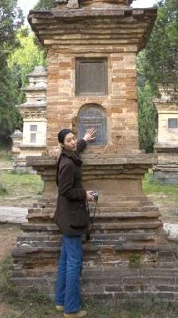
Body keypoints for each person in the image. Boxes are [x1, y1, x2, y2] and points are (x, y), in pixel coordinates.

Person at [54, 127, 96, 318]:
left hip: (66, 217)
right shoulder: (68, 164)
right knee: (74, 264)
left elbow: (76, 150)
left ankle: (61, 302)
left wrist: (84, 140)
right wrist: (84, 195)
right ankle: (71, 309)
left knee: (64, 261)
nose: (72, 142)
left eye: (74, 138)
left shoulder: (68, 156)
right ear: (62, 144)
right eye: (69, 140)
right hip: (72, 218)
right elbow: (65, 190)